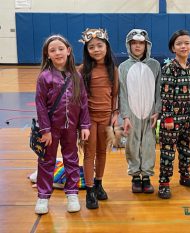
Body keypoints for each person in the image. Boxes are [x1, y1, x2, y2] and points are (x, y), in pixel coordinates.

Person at [35, 34, 90, 214]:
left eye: (60, 49)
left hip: (71, 128)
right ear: (47, 54)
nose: (57, 52)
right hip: (50, 129)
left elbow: (83, 102)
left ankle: (72, 193)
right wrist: (45, 130)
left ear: (68, 51)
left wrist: (84, 125)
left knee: (71, 160)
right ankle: (43, 196)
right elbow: (41, 105)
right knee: (46, 161)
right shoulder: (44, 77)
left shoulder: (76, 76)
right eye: (52, 50)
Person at [78, 28, 119, 209]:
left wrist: (114, 115)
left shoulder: (113, 70)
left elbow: (114, 95)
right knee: (89, 154)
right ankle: (89, 191)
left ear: (107, 47)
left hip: (105, 119)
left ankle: (99, 183)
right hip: (88, 120)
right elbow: (78, 99)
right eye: (91, 47)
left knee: (102, 153)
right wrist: (81, 123)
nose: (96, 50)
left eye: (99, 46)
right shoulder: (81, 71)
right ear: (87, 51)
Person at [158, 30, 190, 199]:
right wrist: (167, 117)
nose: (183, 46)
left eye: (186, 43)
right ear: (173, 48)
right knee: (168, 152)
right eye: (179, 44)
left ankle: (185, 176)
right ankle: (164, 183)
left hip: (186, 118)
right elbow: (166, 95)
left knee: (186, 150)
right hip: (171, 120)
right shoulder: (169, 68)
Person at [119, 29, 161, 194]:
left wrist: (157, 111)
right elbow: (122, 92)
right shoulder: (123, 67)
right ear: (129, 45)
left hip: (150, 113)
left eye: (141, 43)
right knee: (133, 144)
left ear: (146, 45)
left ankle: (147, 175)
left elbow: (159, 90)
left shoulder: (155, 65)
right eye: (134, 43)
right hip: (132, 113)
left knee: (149, 144)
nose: (138, 46)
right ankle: (136, 175)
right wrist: (126, 116)